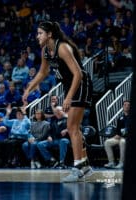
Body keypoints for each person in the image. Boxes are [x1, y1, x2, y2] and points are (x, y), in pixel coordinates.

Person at [22, 21, 93, 182]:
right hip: (70, 86)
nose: (37, 36)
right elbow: (42, 73)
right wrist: (29, 89)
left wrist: (68, 97)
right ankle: (85, 165)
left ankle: (77, 169)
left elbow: (78, 74)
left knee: (72, 126)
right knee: (75, 126)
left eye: (40, 33)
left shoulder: (63, 48)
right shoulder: (45, 50)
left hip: (81, 84)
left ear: (49, 34)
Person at [104, 100, 130, 169]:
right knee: (107, 142)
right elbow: (118, 131)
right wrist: (117, 135)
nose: (126, 106)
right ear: (122, 107)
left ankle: (122, 163)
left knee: (122, 142)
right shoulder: (120, 118)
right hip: (121, 137)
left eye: (128, 105)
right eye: (125, 105)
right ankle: (111, 162)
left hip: (128, 139)